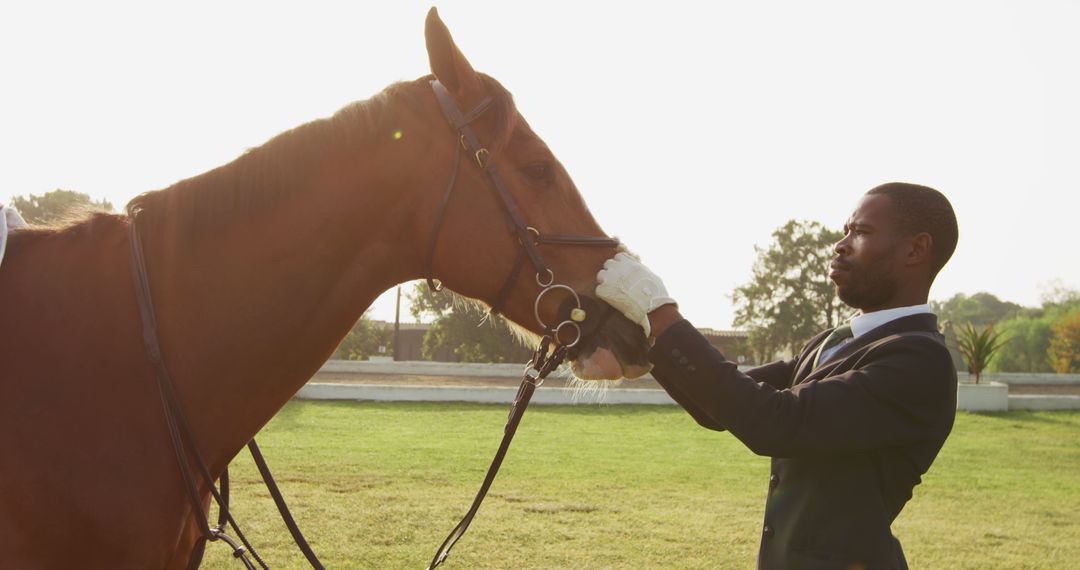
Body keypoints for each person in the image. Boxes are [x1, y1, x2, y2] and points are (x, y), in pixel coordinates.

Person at [596, 182, 959, 569]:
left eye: (862, 232)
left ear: (915, 250)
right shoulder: (832, 341)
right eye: (846, 230)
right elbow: (723, 405)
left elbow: (775, 422)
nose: (841, 244)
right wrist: (644, 344)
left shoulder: (920, 360)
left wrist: (659, 311)